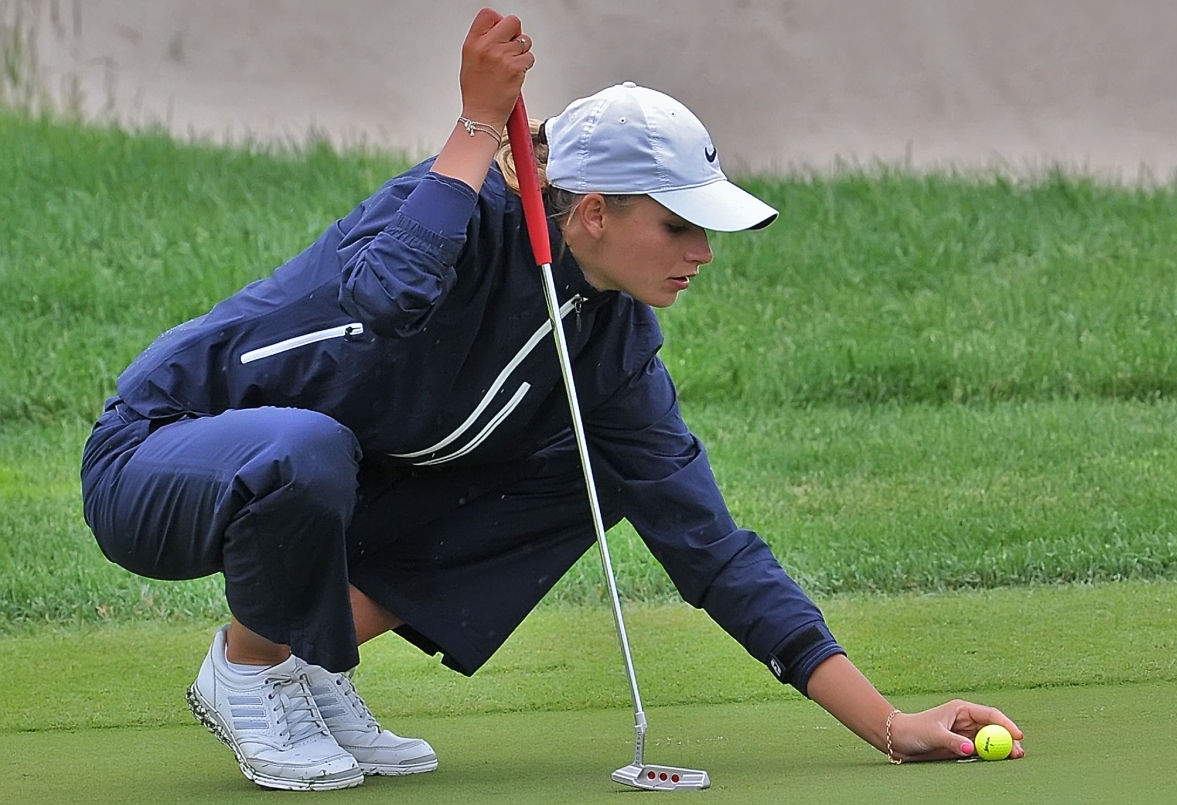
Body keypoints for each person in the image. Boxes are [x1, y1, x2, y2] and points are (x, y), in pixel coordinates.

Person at [80, 7, 1024, 793]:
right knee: (311, 444)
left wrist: (889, 722)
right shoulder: (450, 218)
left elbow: (709, 546)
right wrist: (478, 124)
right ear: (593, 213)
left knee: (587, 467)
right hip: (158, 461)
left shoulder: (610, 344)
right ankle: (250, 666)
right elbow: (386, 297)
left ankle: (306, 660)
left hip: (317, 487)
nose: (701, 251)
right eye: (679, 223)